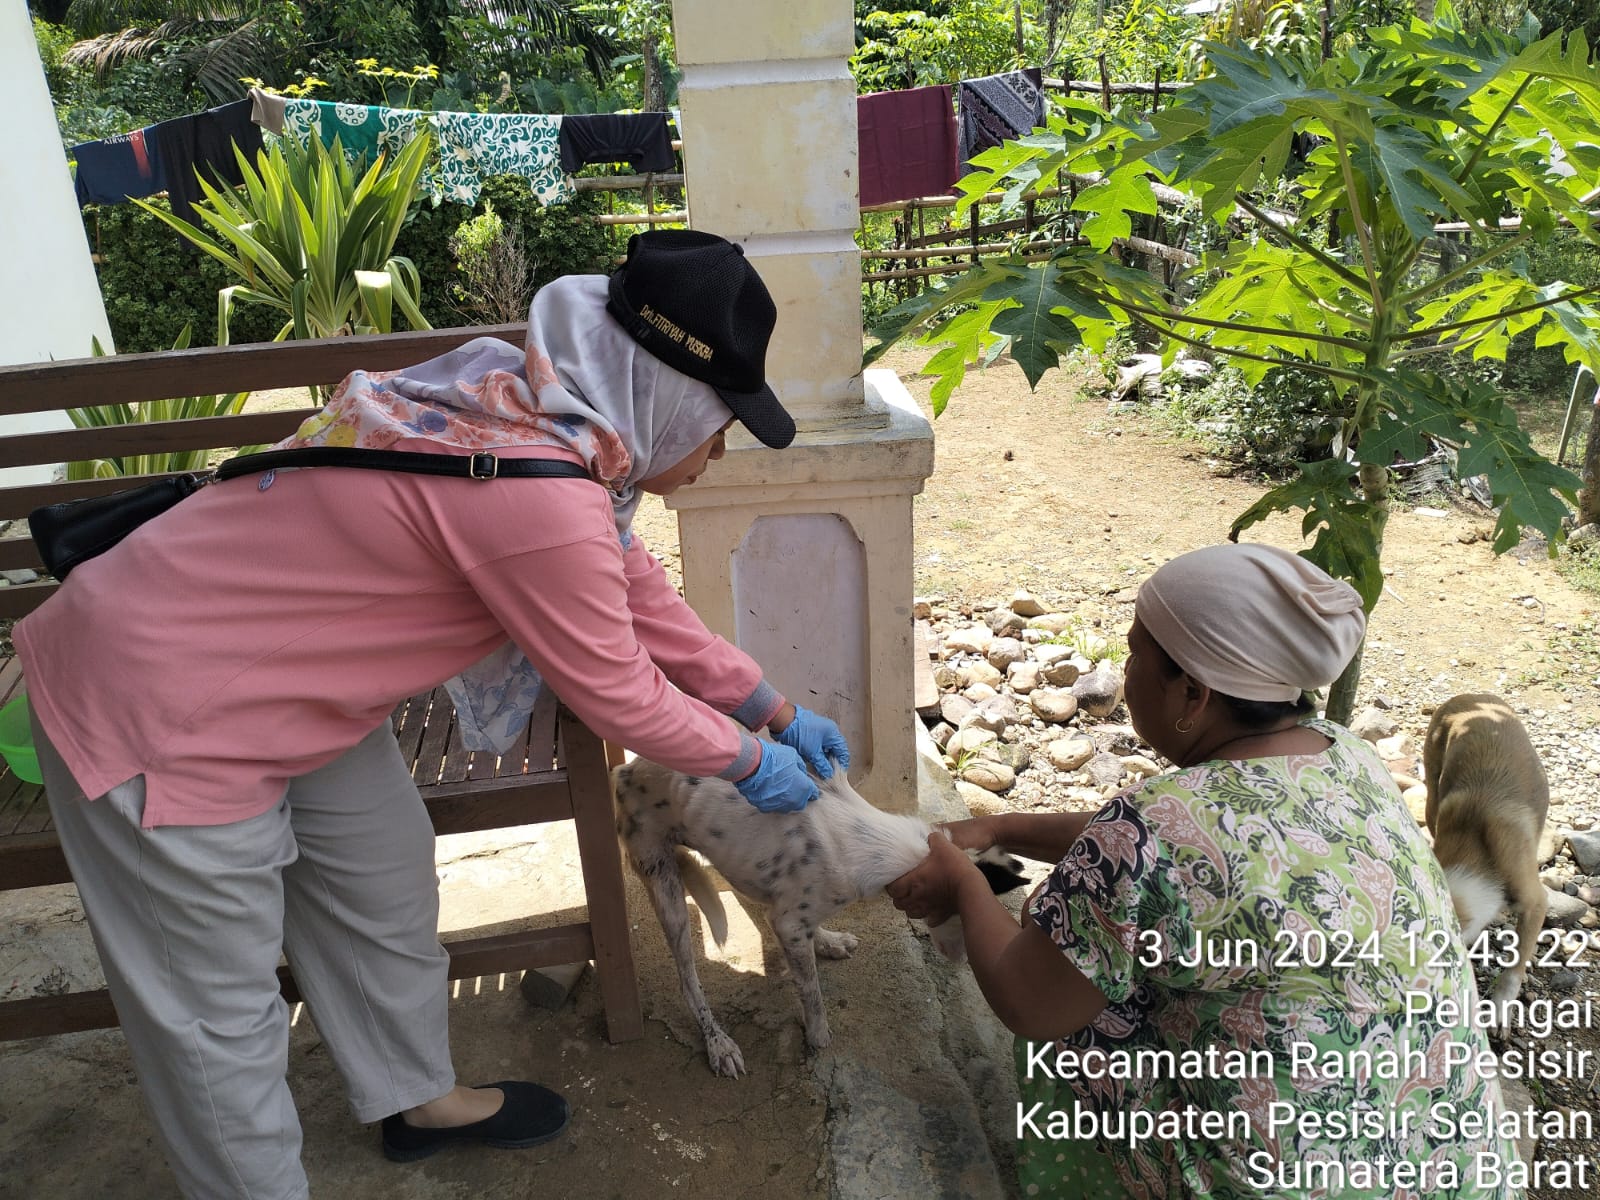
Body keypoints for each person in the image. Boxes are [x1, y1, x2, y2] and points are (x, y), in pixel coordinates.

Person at [14, 230, 850, 1199]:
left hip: (276, 680)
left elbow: (630, 593)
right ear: (662, 395)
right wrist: (749, 762)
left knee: (382, 871)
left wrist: (769, 707)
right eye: (719, 421)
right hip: (156, 702)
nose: (717, 450)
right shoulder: (540, 492)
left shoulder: (535, 413)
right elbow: (618, 688)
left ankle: (414, 1097)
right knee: (215, 1018)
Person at [887, 543, 1524, 1199]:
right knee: (1095, 920)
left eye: (1135, 654)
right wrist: (1005, 827)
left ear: (1193, 694)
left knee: (1070, 968)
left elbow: (1028, 999)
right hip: (1453, 1168)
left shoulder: (1147, 832)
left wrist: (967, 884)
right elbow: (1192, 847)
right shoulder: (1349, 758)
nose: (1123, 670)